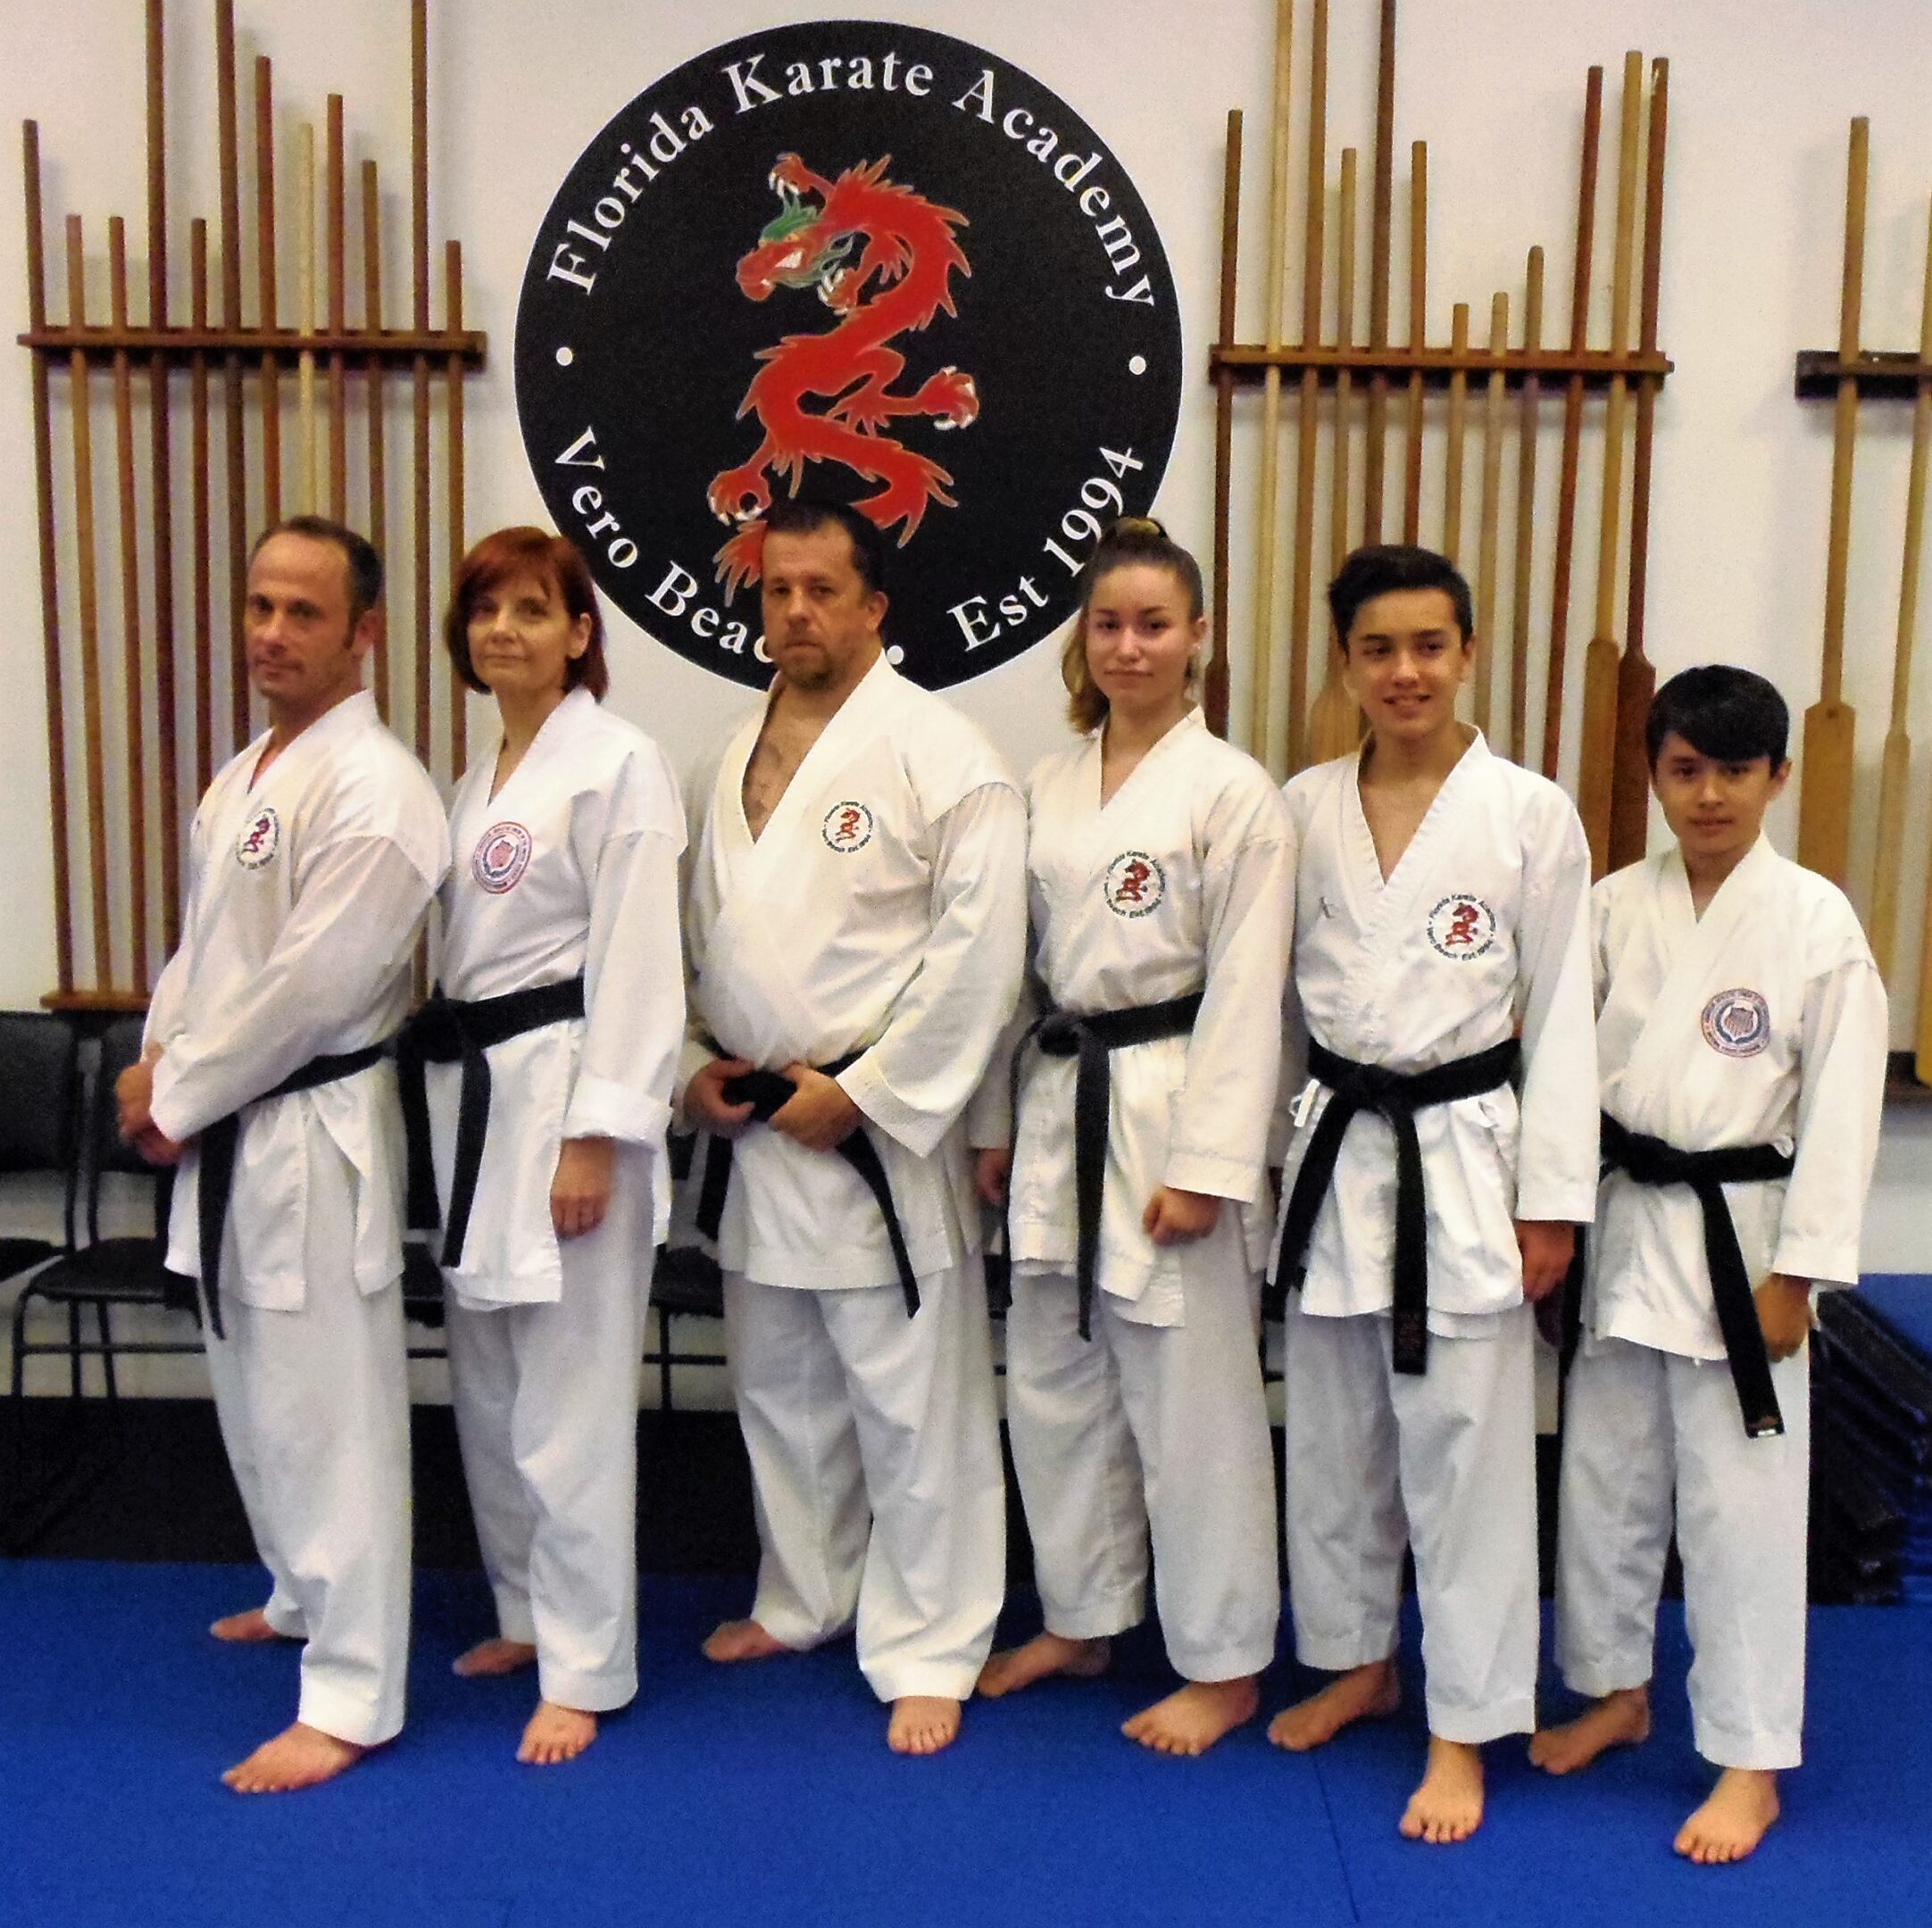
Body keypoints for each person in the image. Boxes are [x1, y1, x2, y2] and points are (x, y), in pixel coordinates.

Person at [679, 496, 1026, 1756]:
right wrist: (688, 1065)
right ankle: (806, 1595)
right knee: (780, 1389)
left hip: (872, 1131)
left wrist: (869, 1090)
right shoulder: (722, 754)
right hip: (760, 1126)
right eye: (777, 591)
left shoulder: (945, 754)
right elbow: (686, 947)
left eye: (823, 590)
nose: (796, 613)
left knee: (911, 1404)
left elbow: (980, 959)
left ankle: (934, 1640)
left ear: (876, 607)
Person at [1265, 544, 1597, 1842]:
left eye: (1429, 646)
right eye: (1377, 649)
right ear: (1344, 662)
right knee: (1339, 1439)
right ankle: (1357, 1658)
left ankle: (1467, 1724)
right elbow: (1272, 1014)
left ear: (1468, 652)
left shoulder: (1528, 811)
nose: (1405, 672)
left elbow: (1567, 1014)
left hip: (1465, 1157)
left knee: (1464, 1461)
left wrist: (1553, 1200)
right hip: (1336, 1147)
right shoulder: (1297, 807)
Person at [1531, 665, 1886, 1864]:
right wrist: (1556, 1218)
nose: (1712, 794)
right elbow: (1563, 1078)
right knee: (1606, 1489)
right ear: (1655, 776)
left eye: (1737, 770)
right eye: (1687, 770)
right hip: (1629, 1230)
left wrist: (1805, 1271)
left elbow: (1842, 1108)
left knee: (1742, 1516)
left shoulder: (1814, 921)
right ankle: (1615, 1693)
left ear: (1778, 777)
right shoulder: (1616, 908)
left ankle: (1747, 1756)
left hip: (1745, 1254)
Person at [116, 516, 447, 1792]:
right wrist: (158, 1064)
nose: (270, 632)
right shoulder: (246, 771)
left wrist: (182, 1092)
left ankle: (356, 1692)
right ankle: (304, 1594)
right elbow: (205, 950)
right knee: (255, 1392)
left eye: (303, 612)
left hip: (310, 1129)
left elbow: (312, 987)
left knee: (330, 1415)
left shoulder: (383, 792)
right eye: (259, 604)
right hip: (231, 1120)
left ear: (365, 632)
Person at [969, 519, 1292, 1755]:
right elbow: (1014, 975)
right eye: (1109, 623)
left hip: (1167, 1102)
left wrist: (1210, 1166)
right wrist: (1000, 1120)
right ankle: (1084, 1614)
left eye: (1155, 623)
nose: (1130, 645)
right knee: (1053, 1377)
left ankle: (1221, 1662)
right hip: (1060, 1090)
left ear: (1199, 636)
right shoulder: (1049, 783)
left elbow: (1252, 989)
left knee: (1190, 1397)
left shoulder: (1233, 793)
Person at [400, 528, 685, 1766]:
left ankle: (587, 1663)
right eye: (484, 612)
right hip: (480, 1101)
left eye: (532, 610)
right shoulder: (480, 780)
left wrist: (597, 1135)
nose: (503, 630)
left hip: (569, 1093)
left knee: (569, 1399)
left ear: (581, 635)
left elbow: (638, 961)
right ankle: (525, 1610)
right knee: (495, 1377)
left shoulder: (620, 764)